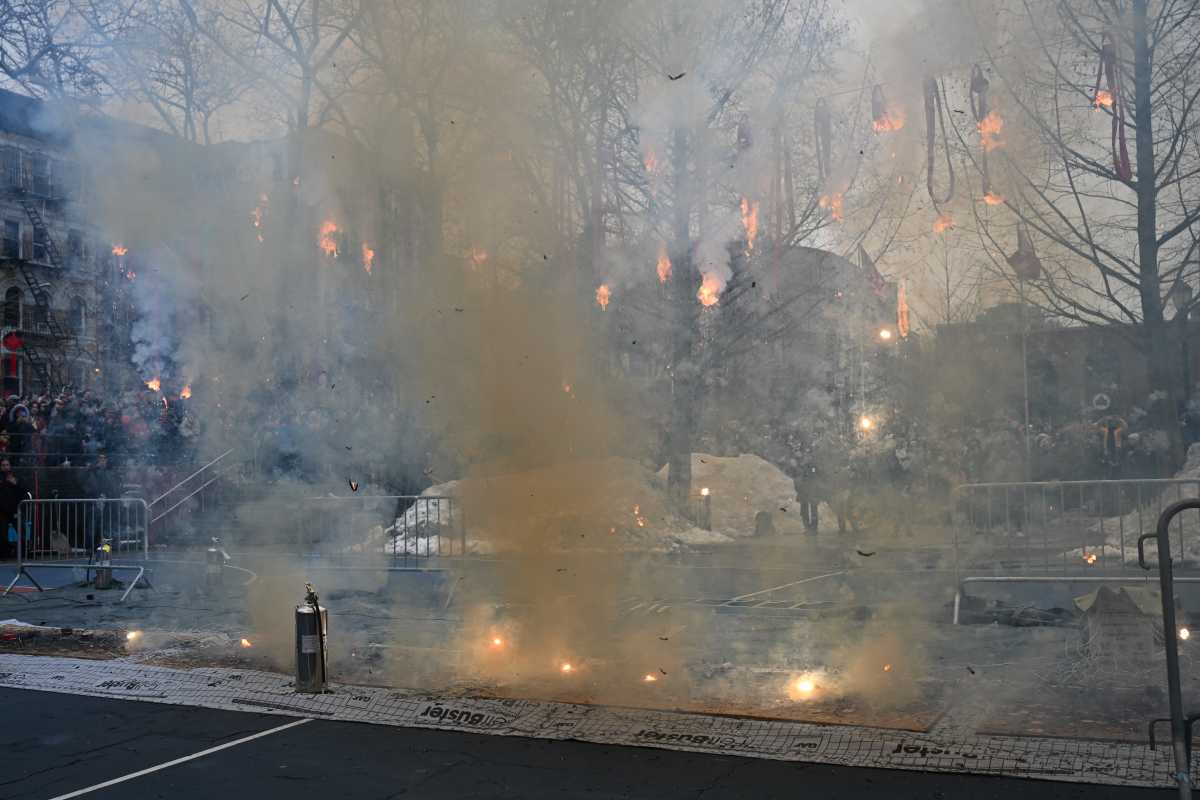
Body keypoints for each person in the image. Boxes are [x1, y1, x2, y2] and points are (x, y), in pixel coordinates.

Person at [0, 460, 28, 560]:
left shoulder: (16, 478)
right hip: (2, 511)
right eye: (3, 465)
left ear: (10, 466)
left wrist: (15, 484)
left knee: (21, 532)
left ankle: (23, 553)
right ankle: (4, 554)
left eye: (7, 465)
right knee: (2, 534)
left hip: (16, 509)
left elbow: (24, 490)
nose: (5, 467)